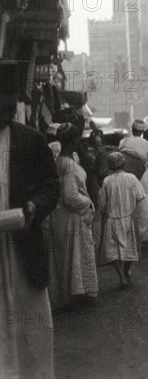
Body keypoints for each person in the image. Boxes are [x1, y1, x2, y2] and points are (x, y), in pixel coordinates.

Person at [0, 61, 60, 379]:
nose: (7, 112)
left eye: (12, 105)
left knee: (31, 326)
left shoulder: (30, 140)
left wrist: (34, 208)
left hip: (23, 251)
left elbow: (51, 186)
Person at [48, 123, 98, 311]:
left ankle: (70, 294)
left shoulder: (62, 160)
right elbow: (70, 196)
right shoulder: (69, 165)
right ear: (74, 140)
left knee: (67, 256)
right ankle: (76, 294)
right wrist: (87, 202)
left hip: (61, 216)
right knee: (75, 255)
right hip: (72, 216)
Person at [99, 152, 146, 288]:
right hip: (129, 218)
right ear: (123, 164)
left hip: (112, 219)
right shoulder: (131, 178)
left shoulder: (107, 181)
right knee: (130, 248)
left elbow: (102, 203)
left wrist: (99, 214)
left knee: (114, 250)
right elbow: (140, 196)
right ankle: (126, 272)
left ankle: (121, 277)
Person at [119, 119, 148, 243]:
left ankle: (127, 234)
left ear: (132, 130)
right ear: (142, 131)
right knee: (144, 203)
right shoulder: (147, 144)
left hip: (126, 172)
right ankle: (145, 234)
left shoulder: (124, 142)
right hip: (143, 175)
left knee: (126, 201)